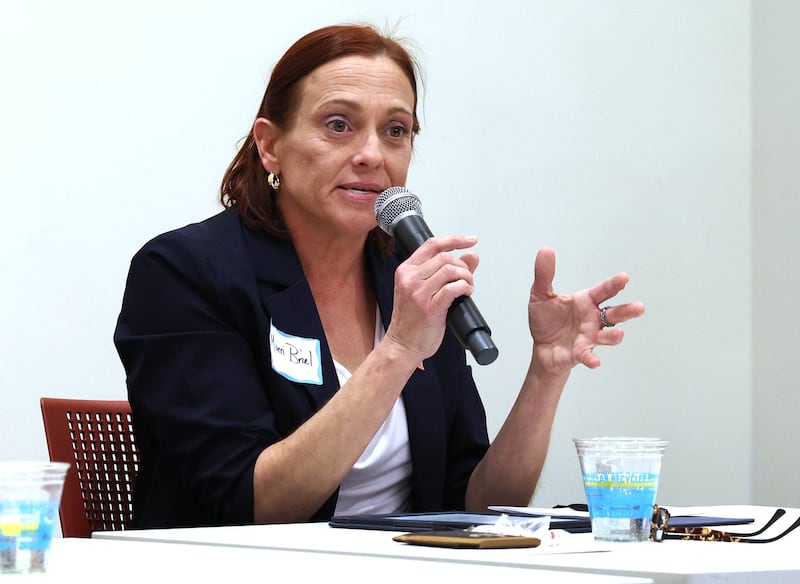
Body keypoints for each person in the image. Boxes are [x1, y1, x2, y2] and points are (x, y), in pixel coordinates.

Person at [114, 23, 645, 530]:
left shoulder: (407, 281)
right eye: (338, 124)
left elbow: (478, 504)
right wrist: (398, 350)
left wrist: (546, 374)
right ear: (270, 144)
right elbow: (251, 502)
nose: (372, 155)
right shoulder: (184, 273)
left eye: (396, 131)